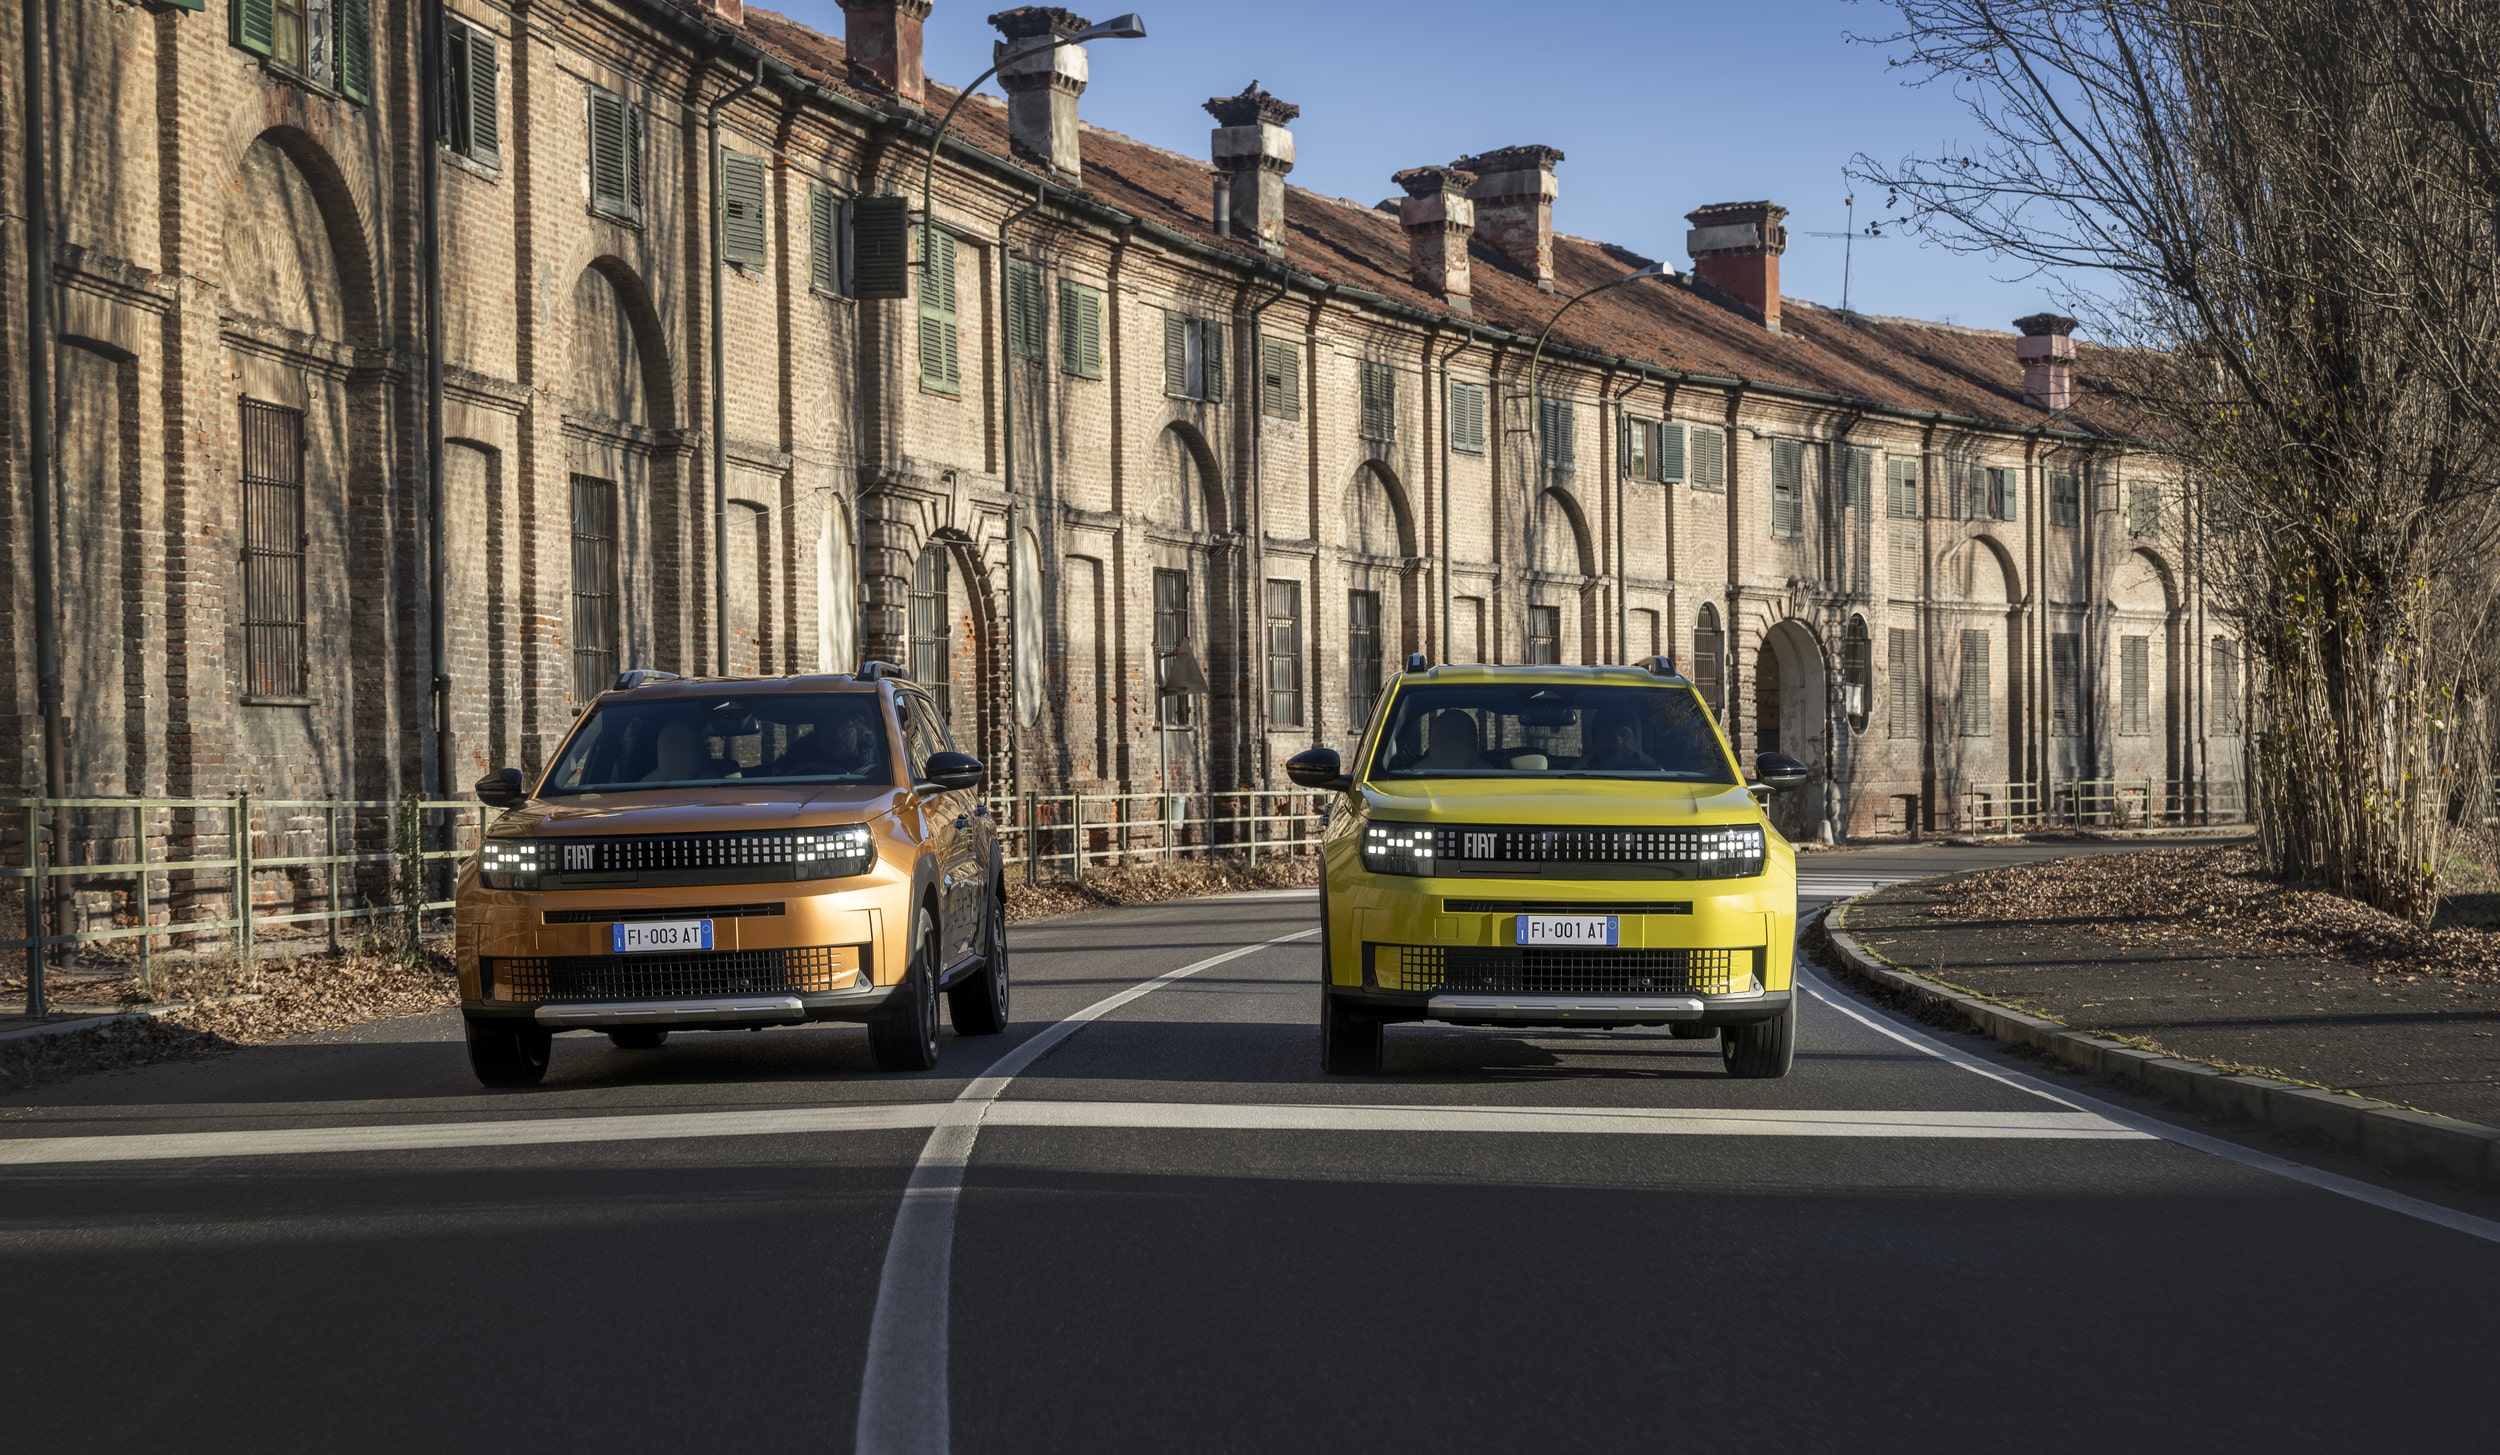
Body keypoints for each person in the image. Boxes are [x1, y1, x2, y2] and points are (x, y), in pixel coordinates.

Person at [1583, 710, 1660, 772]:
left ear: (1636, 740)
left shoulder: (1656, 771)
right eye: (1608, 734)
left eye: (1624, 734)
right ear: (1594, 738)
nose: (1617, 742)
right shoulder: (1578, 771)